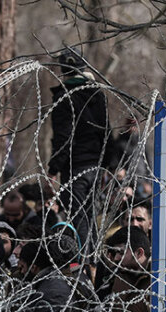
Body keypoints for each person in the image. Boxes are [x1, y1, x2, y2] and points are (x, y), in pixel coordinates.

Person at [47, 49, 110, 259]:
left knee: (79, 218)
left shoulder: (64, 97)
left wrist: (54, 168)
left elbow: (64, 137)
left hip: (76, 168)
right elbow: (106, 132)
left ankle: (84, 265)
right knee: (90, 217)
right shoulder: (97, 94)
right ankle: (93, 260)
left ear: (63, 71)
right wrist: (108, 165)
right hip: (95, 167)